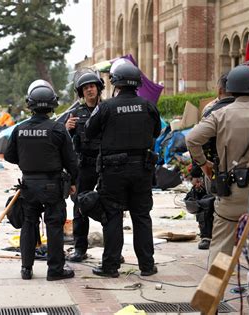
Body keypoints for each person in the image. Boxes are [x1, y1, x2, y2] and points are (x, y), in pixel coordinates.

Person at [185, 61, 249, 265]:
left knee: (221, 251)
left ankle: (215, 294)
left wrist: (204, 163)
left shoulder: (219, 114)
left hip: (230, 193)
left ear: (230, 88)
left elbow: (192, 139)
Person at [85, 60, 161, 277]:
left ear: (115, 82)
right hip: (142, 169)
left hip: (113, 171)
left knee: (112, 216)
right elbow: (155, 131)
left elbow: (89, 132)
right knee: (141, 216)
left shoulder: (106, 107)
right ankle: (147, 266)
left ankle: (110, 267)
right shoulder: (148, 106)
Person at [4, 80, 78, 281]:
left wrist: (27, 160)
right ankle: (55, 270)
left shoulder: (20, 129)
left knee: (29, 224)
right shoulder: (58, 129)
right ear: (53, 104)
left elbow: (9, 157)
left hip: (28, 185)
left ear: (30, 104)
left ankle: (26, 269)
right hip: (52, 185)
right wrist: (73, 181)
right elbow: (71, 160)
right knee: (54, 225)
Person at [187, 73, 234, 250]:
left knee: (216, 204)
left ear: (220, 89)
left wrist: (200, 168)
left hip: (217, 168)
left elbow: (195, 141)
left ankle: (210, 237)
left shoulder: (212, 110)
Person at [64, 72, 104, 262]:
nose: (89, 89)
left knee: (112, 205)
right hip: (85, 164)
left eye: (92, 86)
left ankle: (112, 250)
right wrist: (68, 129)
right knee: (79, 205)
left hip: (105, 163)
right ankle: (80, 248)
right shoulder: (75, 113)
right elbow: (68, 142)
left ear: (98, 88)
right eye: (85, 87)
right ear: (81, 92)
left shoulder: (106, 109)